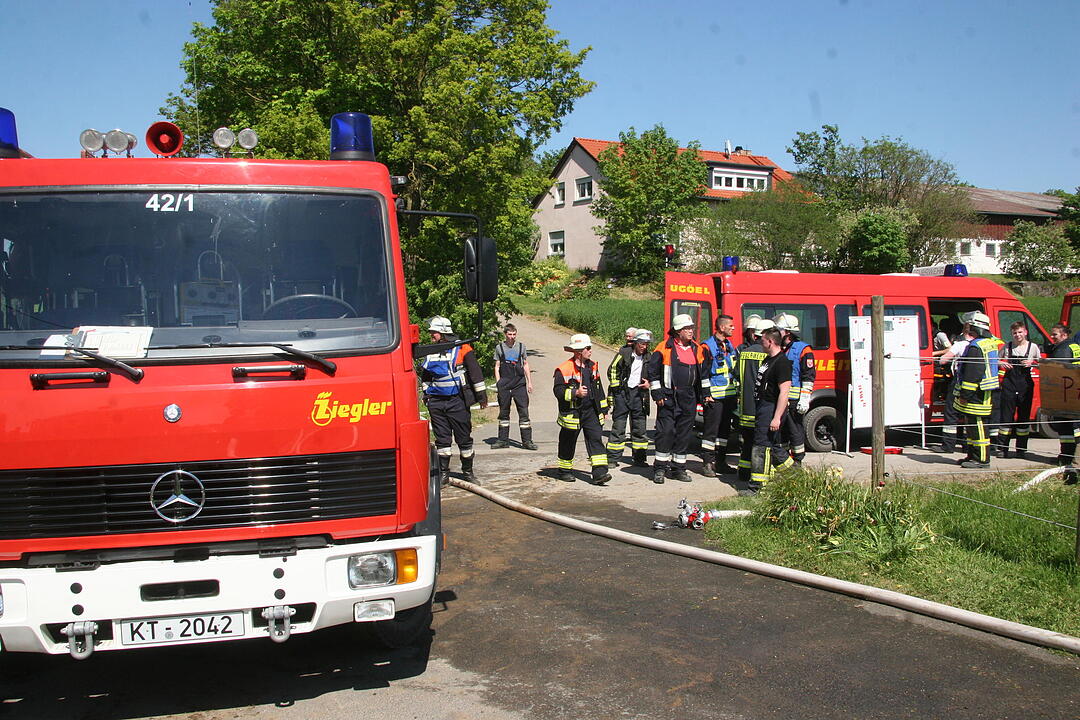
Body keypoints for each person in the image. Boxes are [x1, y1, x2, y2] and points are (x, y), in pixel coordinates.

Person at [419, 316, 488, 484]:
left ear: (443, 332)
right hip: (436, 402)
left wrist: (482, 397)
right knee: (442, 440)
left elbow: (475, 374)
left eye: (433, 333)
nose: (431, 336)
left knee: (464, 438)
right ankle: (444, 474)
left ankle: (468, 472)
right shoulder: (430, 351)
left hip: (457, 401)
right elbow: (425, 376)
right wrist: (427, 397)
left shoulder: (463, 348)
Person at [649, 314, 705, 484]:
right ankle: (659, 468)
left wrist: (703, 396)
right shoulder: (663, 348)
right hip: (668, 396)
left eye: (691, 328)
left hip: (688, 397)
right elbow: (652, 373)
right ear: (678, 331)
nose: (691, 331)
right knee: (665, 432)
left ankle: (678, 469)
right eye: (687, 328)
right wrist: (658, 394)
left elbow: (704, 374)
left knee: (684, 433)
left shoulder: (697, 348)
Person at [553, 333, 611, 484]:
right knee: (568, 441)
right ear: (579, 351)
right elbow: (558, 391)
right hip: (573, 412)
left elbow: (599, 389)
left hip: (591, 411)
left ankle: (600, 473)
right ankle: (565, 471)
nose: (591, 350)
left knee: (595, 439)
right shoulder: (564, 369)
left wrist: (603, 410)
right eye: (588, 348)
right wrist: (575, 393)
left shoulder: (593, 366)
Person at [950, 312, 1000, 469]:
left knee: (978, 427)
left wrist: (965, 394)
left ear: (974, 327)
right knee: (972, 427)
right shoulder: (989, 343)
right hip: (983, 392)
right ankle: (972, 456)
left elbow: (972, 375)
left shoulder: (975, 347)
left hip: (976, 394)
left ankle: (982, 460)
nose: (967, 328)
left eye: (968, 325)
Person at [774, 313, 816, 464]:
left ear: (788, 332)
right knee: (781, 432)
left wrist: (804, 398)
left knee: (795, 431)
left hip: (794, 400)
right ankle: (784, 460)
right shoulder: (778, 349)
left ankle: (797, 461)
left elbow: (808, 376)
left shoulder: (803, 349)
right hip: (780, 400)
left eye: (778, 329)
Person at [700, 315, 739, 476]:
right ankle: (707, 463)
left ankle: (721, 462)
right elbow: (703, 373)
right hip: (714, 397)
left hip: (729, 396)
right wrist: (706, 394)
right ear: (722, 327)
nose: (733, 328)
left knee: (724, 432)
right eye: (730, 325)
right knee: (711, 431)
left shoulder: (729, 345)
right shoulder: (707, 347)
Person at [993, 321, 1039, 458]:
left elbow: (1042, 363)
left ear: (1025, 332)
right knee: (1006, 417)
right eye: (1014, 333)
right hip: (1009, 385)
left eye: (1020, 332)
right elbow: (994, 359)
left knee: (1023, 418)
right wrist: (1002, 363)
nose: (1017, 335)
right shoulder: (1008, 346)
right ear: (1011, 334)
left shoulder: (1033, 347)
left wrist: (1033, 363)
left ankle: (1021, 449)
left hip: (1025, 385)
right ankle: (1002, 449)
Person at [607, 329, 652, 466]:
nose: (644, 347)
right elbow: (612, 369)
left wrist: (648, 383)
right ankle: (613, 459)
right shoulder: (624, 353)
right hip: (623, 394)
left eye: (646, 344)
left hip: (639, 395)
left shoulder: (649, 357)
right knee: (619, 427)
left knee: (640, 428)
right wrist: (617, 388)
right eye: (642, 344)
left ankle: (639, 459)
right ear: (635, 343)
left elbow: (655, 373)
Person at [734, 318, 770, 485]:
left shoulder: (744, 353)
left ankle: (743, 472)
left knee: (747, 442)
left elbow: (736, 375)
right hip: (760, 408)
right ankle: (759, 478)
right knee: (761, 444)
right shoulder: (767, 354)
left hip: (745, 408)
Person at [493, 323, 536, 450]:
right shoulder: (499, 348)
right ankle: (502, 440)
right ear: (505, 334)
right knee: (504, 412)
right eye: (510, 334)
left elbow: (526, 364)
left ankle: (527, 441)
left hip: (519, 384)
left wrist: (529, 382)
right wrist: (498, 383)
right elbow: (497, 366)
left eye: (514, 334)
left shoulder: (521, 347)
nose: (512, 337)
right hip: (505, 384)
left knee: (524, 412)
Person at [1046, 323, 1080, 478]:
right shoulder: (1075, 345)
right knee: (1072, 427)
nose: (1052, 337)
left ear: (1064, 335)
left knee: (1066, 427)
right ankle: (1068, 455)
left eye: (1055, 335)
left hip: (1066, 392)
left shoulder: (1063, 349)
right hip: (1074, 391)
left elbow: (1059, 370)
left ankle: (1066, 456)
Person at [934, 319, 971, 454]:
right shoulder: (980, 345)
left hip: (959, 381)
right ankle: (968, 445)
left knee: (951, 412)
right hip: (974, 382)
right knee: (968, 413)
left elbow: (944, 359)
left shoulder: (959, 344)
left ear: (964, 331)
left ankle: (948, 445)